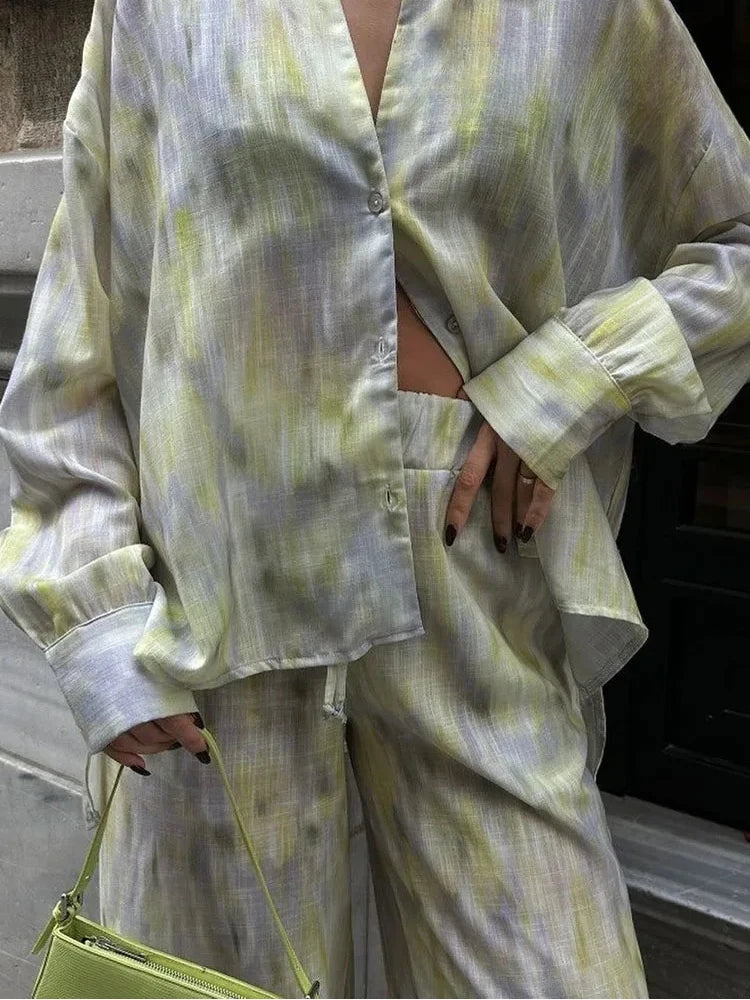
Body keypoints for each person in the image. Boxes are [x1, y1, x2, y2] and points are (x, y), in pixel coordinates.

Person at [1, 0, 749, 996]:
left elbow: (734, 240)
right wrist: (94, 613)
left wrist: (570, 381)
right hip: (217, 609)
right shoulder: (157, 12)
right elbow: (76, 337)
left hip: (477, 567)